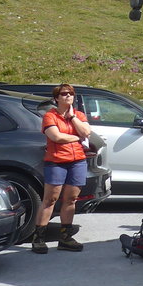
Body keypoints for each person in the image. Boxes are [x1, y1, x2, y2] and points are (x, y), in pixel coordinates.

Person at [31, 83, 93, 253]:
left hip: (77, 161)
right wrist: (76, 137)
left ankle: (65, 237)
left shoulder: (78, 115)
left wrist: (73, 118)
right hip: (57, 161)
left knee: (71, 200)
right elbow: (56, 137)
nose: (68, 96)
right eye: (64, 94)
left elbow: (86, 132)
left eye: (71, 94)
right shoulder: (50, 116)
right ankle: (39, 238)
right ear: (56, 98)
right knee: (50, 200)